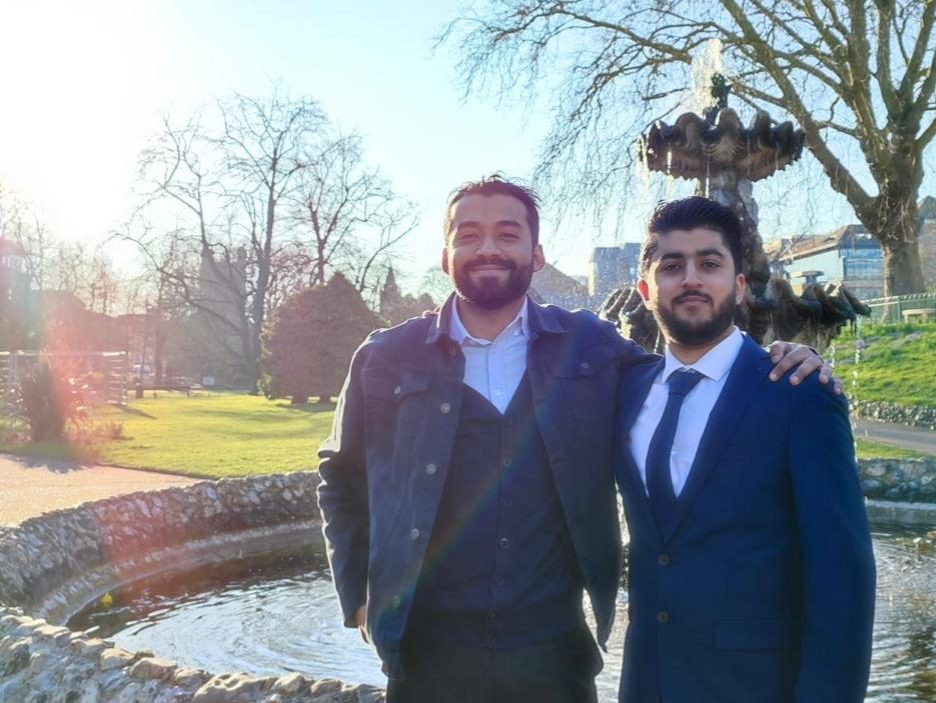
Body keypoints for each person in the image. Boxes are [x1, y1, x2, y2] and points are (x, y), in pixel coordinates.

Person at [317, 177, 836, 703]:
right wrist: (358, 594)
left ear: (536, 253)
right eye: (469, 234)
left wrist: (782, 356)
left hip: (554, 656)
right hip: (427, 656)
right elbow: (340, 474)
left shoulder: (591, 346)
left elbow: (689, 371)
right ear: (445, 255)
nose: (489, 248)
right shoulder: (384, 358)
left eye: (508, 233)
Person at [615, 196, 876, 703]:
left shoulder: (799, 393)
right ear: (647, 290)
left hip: (756, 686)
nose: (691, 278)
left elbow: (842, 570)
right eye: (672, 266)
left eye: (709, 263)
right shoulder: (623, 390)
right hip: (648, 681)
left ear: (738, 287)